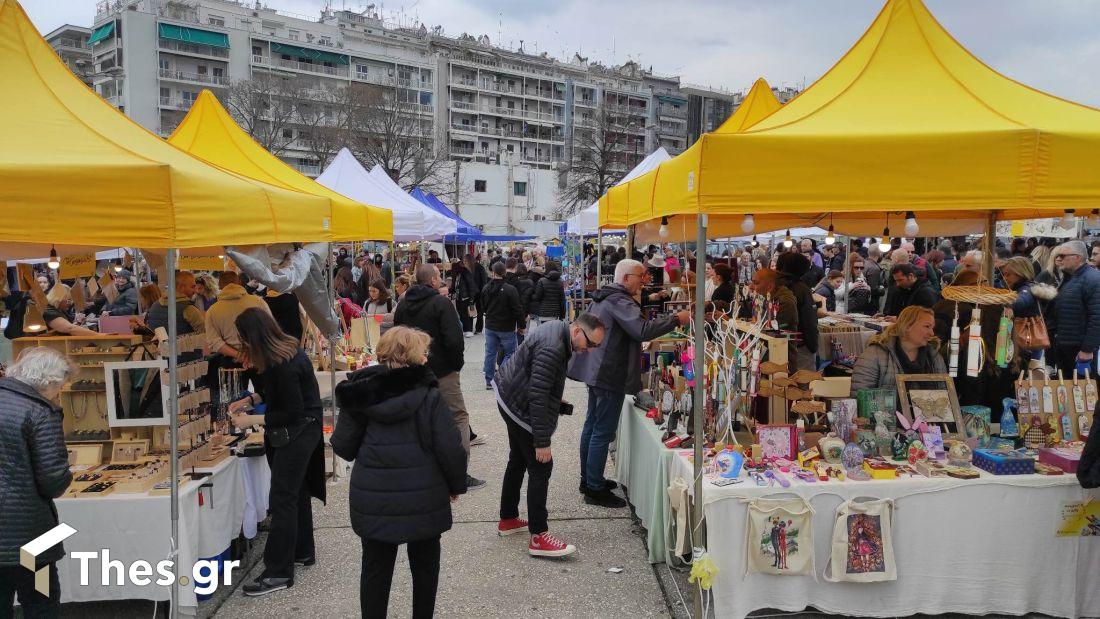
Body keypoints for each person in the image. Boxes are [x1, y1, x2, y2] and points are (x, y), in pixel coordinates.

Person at [331, 327, 466, 618]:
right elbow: (450, 447)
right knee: (426, 568)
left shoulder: (361, 392)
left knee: (375, 570)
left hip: (374, 496)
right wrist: (455, 485)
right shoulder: (429, 394)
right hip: (424, 495)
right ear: (416, 355)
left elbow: (343, 446)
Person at [567, 259, 689, 508]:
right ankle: (594, 488)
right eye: (641, 276)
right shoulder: (618, 300)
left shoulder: (606, 297)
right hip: (608, 372)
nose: (644, 281)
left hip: (598, 369)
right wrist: (676, 319)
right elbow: (641, 330)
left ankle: (590, 479)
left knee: (593, 425)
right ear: (625, 278)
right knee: (601, 429)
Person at [228, 308, 324, 596]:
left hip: (298, 433)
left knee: (282, 499)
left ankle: (278, 572)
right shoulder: (286, 353)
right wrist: (252, 398)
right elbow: (280, 393)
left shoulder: (283, 362)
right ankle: (302, 550)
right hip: (305, 430)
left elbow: (291, 411)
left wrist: (252, 419)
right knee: (296, 494)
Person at [494, 313, 606, 557]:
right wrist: (541, 441)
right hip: (518, 405)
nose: (590, 350)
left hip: (509, 394)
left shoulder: (559, 330)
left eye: (596, 346)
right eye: (591, 343)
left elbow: (540, 381)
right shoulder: (554, 347)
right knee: (541, 465)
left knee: (517, 460)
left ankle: (509, 519)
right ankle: (538, 536)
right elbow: (537, 393)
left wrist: (555, 400)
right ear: (577, 331)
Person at [394, 265, 485, 489]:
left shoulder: (403, 302)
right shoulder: (441, 303)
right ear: (434, 280)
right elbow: (454, 339)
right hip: (442, 371)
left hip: (413, 371)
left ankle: (423, 469)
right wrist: (456, 365)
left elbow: (397, 333)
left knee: (421, 418)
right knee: (458, 417)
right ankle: (459, 473)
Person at [0, 348, 75, 617]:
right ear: (50, 382)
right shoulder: (41, 411)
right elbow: (52, 481)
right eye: (60, 386)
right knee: (41, 602)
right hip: (34, 542)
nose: (59, 392)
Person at [851, 306, 947, 392]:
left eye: (932, 328)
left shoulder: (934, 357)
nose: (932, 333)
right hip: (884, 412)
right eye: (927, 326)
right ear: (908, 326)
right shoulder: (875, 355)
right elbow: (860, 396)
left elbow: (945, 395)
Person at [1051, 240, 1100, 379]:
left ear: (1077, 257)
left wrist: (1087, 349)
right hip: (1064, 345)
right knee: (1067, 390)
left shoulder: (1093, 279)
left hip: (1079, 348)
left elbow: (1097, 317)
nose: (1059, 259)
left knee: (1082, 393)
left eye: (1062, 255)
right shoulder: (1068, 278)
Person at [481, 262, 525, 390]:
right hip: (506, 326)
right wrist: (521, 325)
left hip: (490, 325)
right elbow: (517, 309)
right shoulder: (510, 289)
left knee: (490, 353)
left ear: (493, 273)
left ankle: (489, 380)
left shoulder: (486, 289)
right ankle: (500, 376)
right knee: (510, 353)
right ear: (504, 273)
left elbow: (483, 306)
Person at [776, 252, 820, 371]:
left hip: (779, 344)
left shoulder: (776, 285)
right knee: (803, 384)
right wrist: (813, 345)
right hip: (801, 345)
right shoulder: (801, 289)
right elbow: (809, 321)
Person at [530, 260, 566, 325]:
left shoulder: (542, 281)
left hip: (543, 313)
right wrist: (562, 315)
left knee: (544, 333)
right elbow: (562, 300)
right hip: (555, 314)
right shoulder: (560, 282)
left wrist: (531, 295)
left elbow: (537, 297)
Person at [449, 259, 477, 337]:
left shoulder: (465, 273)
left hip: (466, 297)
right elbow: (455, 286)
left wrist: (471, 299)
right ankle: (465, 329)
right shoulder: (458, 274)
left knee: (467, 314)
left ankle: (468, 329)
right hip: (459, 297)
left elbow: (471, 286)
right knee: (461, 313)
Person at [466, 254, 489, 335]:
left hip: (478, 293)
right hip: (475, 293)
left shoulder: (478, 267)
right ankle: (474, 328)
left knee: (478, 311)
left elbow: (484, 281)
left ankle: (476, 328)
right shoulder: (470, 268)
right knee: (473, 310)